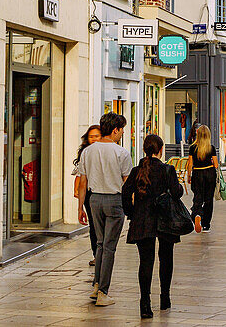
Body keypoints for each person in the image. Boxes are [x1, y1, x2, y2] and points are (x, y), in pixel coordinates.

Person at [122, 134, 183, 319]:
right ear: (161, 150)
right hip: (165, 221)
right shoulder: (168, 170)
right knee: (166, 259)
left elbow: (125, 194)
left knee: (145, 262)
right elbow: (177, 192)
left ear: (144, 150)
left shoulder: (136, 170)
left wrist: (132, 213)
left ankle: (145, 304)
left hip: (143, 221)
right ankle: (165, 298)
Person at [76, 112, 132, 307]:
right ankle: (103, 292)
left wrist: (80, 208)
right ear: (115, 130)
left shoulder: (88, 151)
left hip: (94, 200)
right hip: (114, 201)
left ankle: (96, 284)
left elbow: (82, 182)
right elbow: (127, 183)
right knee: (109, 247)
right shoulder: (121, 153)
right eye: (122, 130)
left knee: (100, 244)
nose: (122, 133)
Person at [72, 124, 101, 266]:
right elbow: (78, 174)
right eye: (91, 137)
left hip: (102, 191)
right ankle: (96, 254)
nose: (94, 139)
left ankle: (102, 253)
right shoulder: (85, 152)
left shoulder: (105, 151)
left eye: (97, 136)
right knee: (93, 225)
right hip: (89, 193)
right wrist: (77, 191)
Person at [185, 125, 219, 233]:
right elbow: (216, 165)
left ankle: (197, 213)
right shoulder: (211, 148)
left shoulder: (192, 148)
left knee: (198, 196)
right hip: (209, 173)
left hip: (197, 173)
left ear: (197, 135)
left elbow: (190, 164)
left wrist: (189, 175)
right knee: (209, 199)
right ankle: (206, 225)